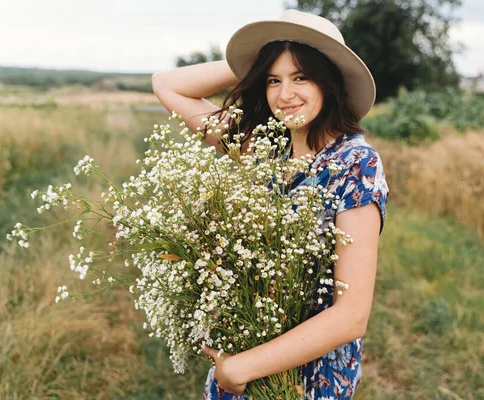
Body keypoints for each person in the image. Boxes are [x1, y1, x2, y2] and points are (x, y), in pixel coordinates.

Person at [152, 9, 389, 400]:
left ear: (330, 82)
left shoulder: (355, 163)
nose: (284, 94)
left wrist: (242, 367)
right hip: (245, 358)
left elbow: (352, 316)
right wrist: (254, 62)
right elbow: (167, 84)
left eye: (301, 77)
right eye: (273, 80)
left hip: (306, 377)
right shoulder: (261, 150)